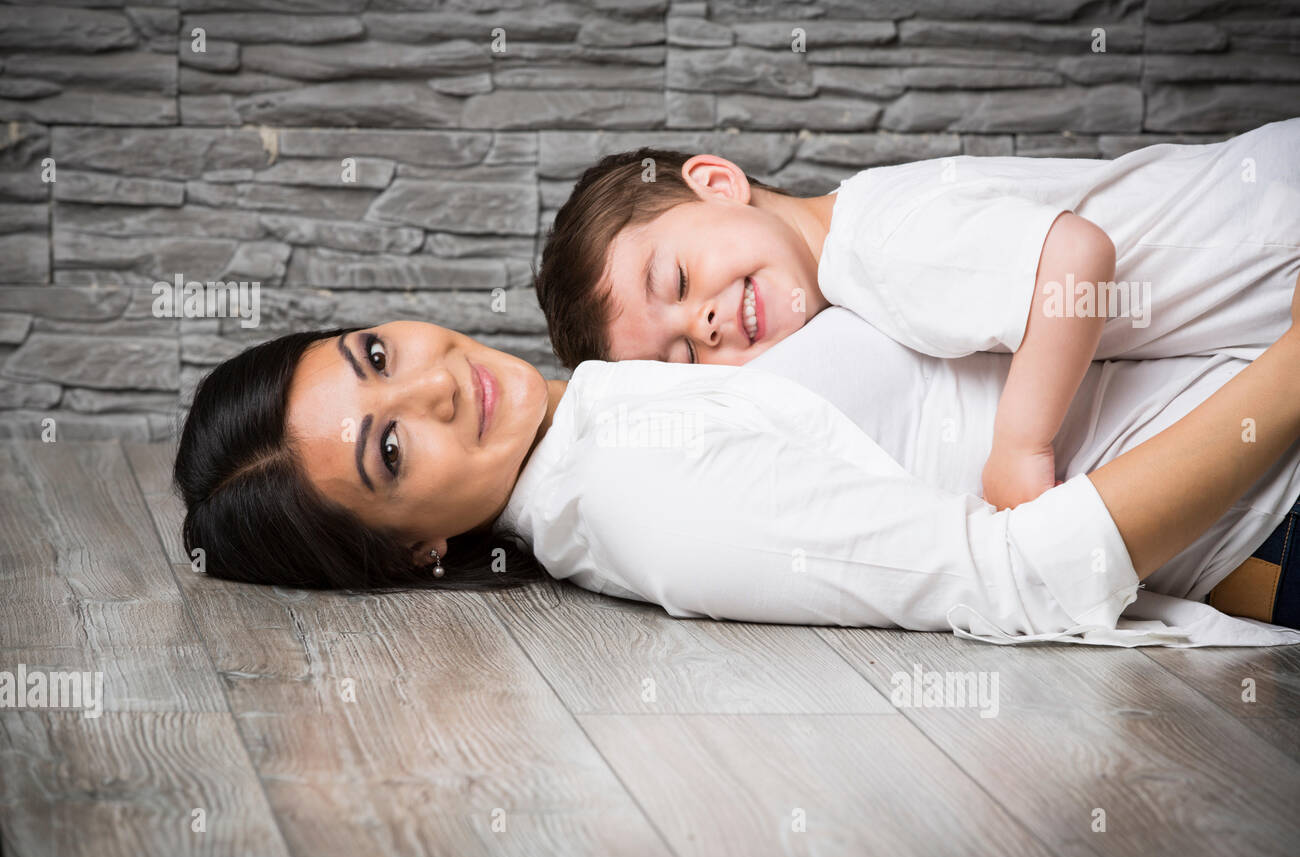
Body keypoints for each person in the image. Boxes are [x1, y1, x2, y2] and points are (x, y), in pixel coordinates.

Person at [172, 279, 1300, 648]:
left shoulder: (602, 399)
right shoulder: (647, 498)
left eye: (374, 352)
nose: (426, 383)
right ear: (417, 544)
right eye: (388, 446)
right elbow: (1021, 575)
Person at [533, 119, 1300, 510]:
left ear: (718, 182)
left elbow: (1075, 261)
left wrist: (1020, 447)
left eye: (677, 278)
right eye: (682, 360)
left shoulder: (876, 241)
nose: (702, 326)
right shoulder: (862, 244)